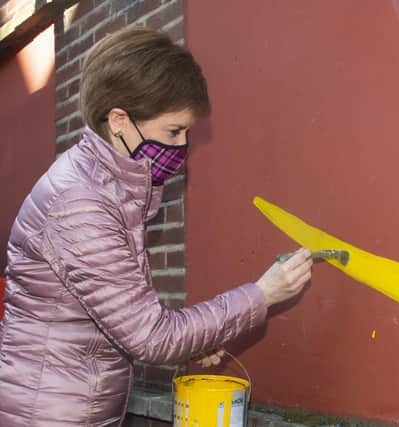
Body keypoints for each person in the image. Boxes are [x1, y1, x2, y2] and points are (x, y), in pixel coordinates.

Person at [0, 26, 313, 426]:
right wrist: (263, 295)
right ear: (119, 121)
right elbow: (150, 335)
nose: (182, 146)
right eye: (173, 131)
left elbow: (119, 320)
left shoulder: (103, 188)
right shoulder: (82, 205)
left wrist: (190, 344)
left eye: (187, 133)